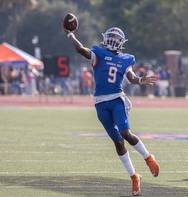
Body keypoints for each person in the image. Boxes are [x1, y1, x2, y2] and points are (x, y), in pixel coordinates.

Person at [65, 26, 160, 196]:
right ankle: (134, 176)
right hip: (100, 103)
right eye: (112, 37)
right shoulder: (99, 52)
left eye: (117, 38)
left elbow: (131, 78)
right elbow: (80, 49)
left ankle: (148, 158)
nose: (113, 40)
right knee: (117, 142)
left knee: (125, 132)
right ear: (106, 38)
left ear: (121, 42)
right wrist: (70, 34)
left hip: (117, 99)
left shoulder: (126, 58)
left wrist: (141, 80)